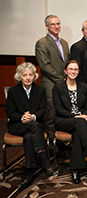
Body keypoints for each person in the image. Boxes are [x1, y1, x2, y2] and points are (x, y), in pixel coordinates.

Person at [52, 60, 87, 184]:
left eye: (75, 69)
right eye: (70, 69)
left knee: (77, 134)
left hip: (80, 122)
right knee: (80, 123)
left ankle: (75, 169)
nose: (73, 71)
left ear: (78, 71)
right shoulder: (58, 87)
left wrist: (83, 115)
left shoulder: (84, 87)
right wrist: (76, 116)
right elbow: (58, 109)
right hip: (63, 121)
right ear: (65, 71)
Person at [5, 62, 55, 190]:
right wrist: (23, 117)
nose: (28, 78)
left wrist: (32, 117)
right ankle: (44, 160)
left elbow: (42, 109)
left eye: (30, 75)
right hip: (18, 125)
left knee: (28, 137)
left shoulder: (40, 90)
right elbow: (10, 112)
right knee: (33, 127)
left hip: (34, 123)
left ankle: (29, 174)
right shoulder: (13, 91)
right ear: (19, 76)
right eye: (24, 75)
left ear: (34, 76)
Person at [35, 14, 70, 139]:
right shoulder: (42, 43)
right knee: (51, 116)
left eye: (58, 24)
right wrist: (62, 79)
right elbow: (45, 66)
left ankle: (60, 146)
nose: (56, 26)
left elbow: (67, 64)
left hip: (64, 85)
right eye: (53, 24)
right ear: (47, 26)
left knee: (62, 114)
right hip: (50, 84)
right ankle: (52, 150)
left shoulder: (64, 43)